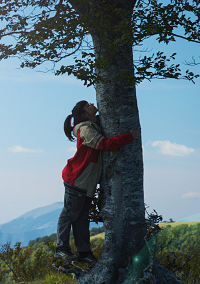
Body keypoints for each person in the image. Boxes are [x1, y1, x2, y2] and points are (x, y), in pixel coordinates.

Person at [55, 100, 140, 263]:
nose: (92, 104)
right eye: (88, 105)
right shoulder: (86, 130)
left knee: (81, 219)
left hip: (84, 183)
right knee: (69, 215)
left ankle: (84, 252)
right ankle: (61, 249)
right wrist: (129, 137)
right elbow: (104, 144)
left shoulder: (92, 126)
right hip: (77, 180)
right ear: (84, 114)